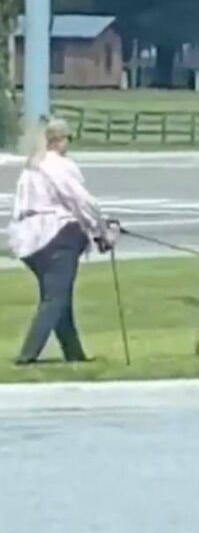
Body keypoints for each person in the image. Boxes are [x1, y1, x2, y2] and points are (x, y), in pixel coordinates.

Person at [7, 117, 118, 365]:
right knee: (55, 299)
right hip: (57, 235)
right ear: (59, 140)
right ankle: (27, 355)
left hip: (28, 240)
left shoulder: (31, 167)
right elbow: (81, 201)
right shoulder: (59, 165)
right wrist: (103, 230)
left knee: (59, 297)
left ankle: (74, 354)